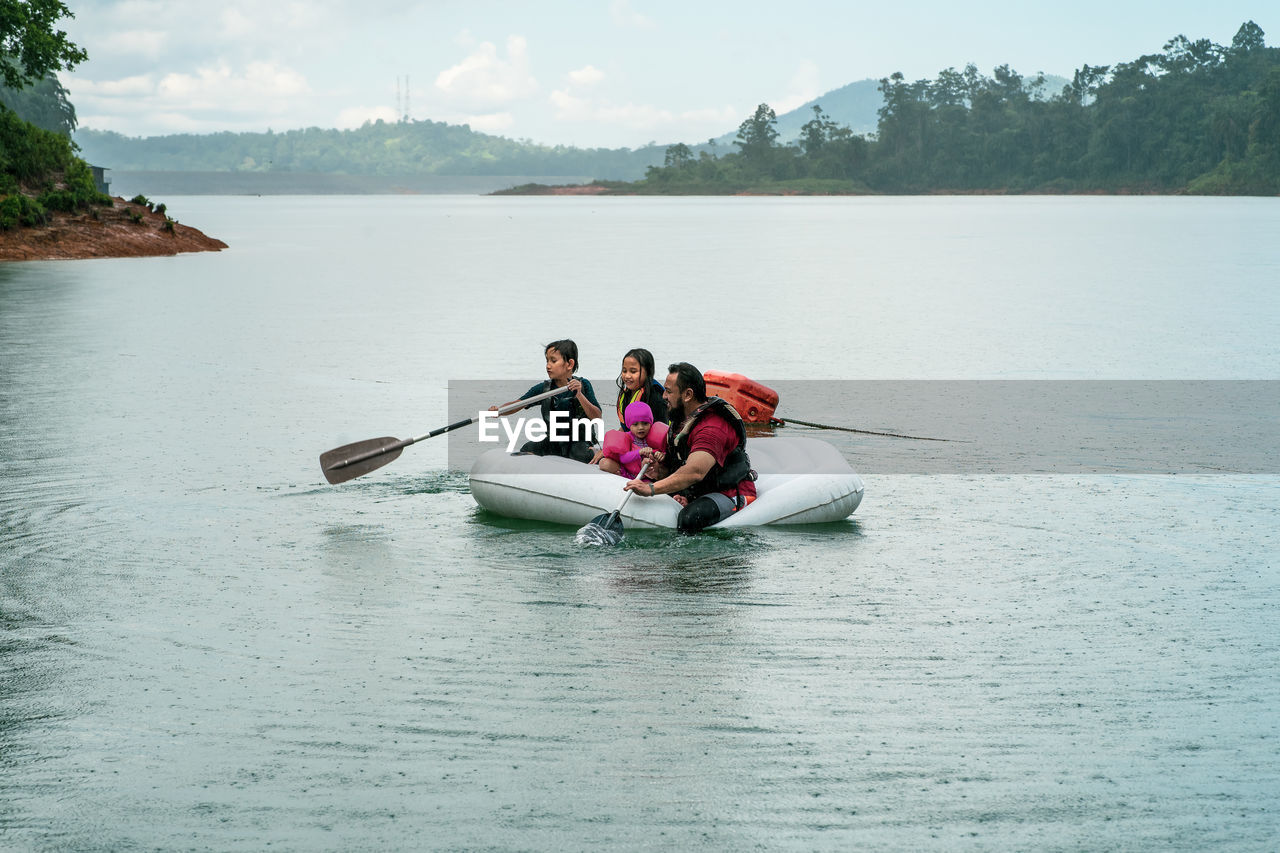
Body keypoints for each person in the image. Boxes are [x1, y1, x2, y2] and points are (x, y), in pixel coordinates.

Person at [623, 362, 756, 533]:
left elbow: (695, 471)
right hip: (699, 489)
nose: (663, 396)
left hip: (728, 492)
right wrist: (658, 471)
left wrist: (651, 489)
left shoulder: (713, 427)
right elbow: (679, 466)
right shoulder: (681, 423)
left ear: (687, 395)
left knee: (690, 518)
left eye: (669, 391)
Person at [490, 339, 602, 463]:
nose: (548, 365)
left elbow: (597, 417)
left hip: (578, 442)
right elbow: (518, 404)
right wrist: (499, 411)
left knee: (580, 454)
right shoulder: (544, 389)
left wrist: (579, 395)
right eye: (547, 361)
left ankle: (596, 453)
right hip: (554, 442)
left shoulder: (583, 385)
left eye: (553, 361)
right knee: (528, 448)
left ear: (569, 364)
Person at [599, 401, 668, 479]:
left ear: (651, 423)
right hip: (628, 472)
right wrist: (639, 452)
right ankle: (624, 475)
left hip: (648, 474)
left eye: (645, 423)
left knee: (664, 470)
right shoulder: (627, 437)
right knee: (604, 463)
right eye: (635, 424)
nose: (641, 427)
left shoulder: (655, 436)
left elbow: (664, 451)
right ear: (629, 425)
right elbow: (623, 458)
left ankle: (645, 480)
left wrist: (661, 455)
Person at [613, 348, 668, 428]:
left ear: (648, 372)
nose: (627, 376)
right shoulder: (626, 394)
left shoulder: (655, 396)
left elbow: (661, 430)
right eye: (624, 371)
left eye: (633, 371)